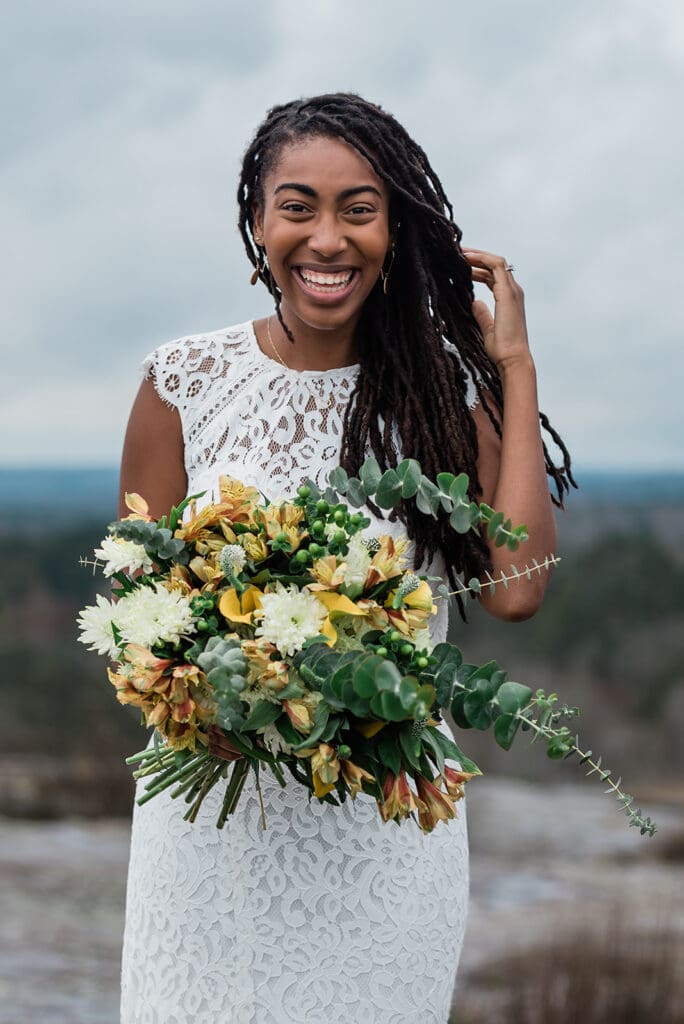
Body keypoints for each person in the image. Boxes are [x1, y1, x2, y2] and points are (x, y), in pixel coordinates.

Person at [117, 93, 574, 1024]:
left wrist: (513, 368)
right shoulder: (181, 383)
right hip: (208, 828)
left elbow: (518, 591)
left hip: (382, 826)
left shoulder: (446, 392)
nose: (327, 238)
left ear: (395, 230)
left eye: (358, 210)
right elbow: (136, 608)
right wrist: (219, 684)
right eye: (298, 207)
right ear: (257, 223)